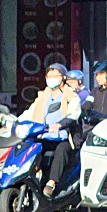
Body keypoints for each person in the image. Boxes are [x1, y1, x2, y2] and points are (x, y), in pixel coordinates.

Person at [19, 63, 81, 198]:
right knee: (31, 148)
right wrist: (15, 122)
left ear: (63, 77)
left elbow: (73, 114)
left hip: (64, 137)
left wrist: (60, 124)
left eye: (56, 76)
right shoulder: (43, 97)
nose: (52, 78)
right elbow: (30, 112)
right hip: (44, 135)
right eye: (49, 76)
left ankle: (51, 183)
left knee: (61, 150)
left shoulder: (71, 96)